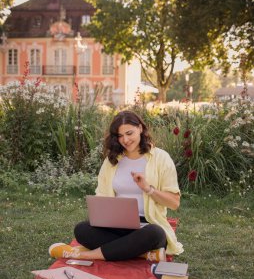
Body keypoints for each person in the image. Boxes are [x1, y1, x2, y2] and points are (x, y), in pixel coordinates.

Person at [49, 110, 183, 262]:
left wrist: (148, 188)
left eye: (129, 133)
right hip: (117, 227)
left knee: (155, 233)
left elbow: (174, 202)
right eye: (120, 136)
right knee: (81, 229)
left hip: (147, 226)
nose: (125, 140)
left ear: (140, 128)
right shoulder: (112, 160)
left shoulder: (161, 158)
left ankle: (85, 255)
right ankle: (142, 253)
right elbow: (101, 196)